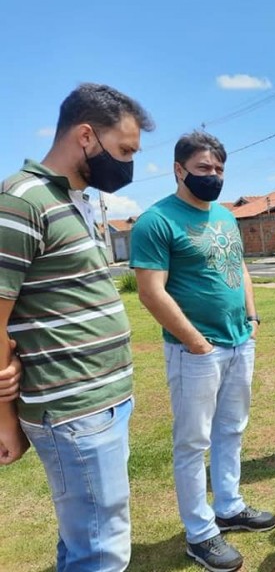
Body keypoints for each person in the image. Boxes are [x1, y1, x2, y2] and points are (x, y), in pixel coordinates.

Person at [0, 83, 154, 571]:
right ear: (86, 136)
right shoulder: (22, 200)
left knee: (87, 534)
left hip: (102, 402)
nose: (128, 165)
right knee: (101, 549)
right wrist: (3, 418)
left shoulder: (74, 200)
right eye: (124, 150)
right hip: (74, 410)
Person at [130, 131, 275, 572]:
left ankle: (228, 506)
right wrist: (194, 341)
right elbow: (150, 293)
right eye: (203, 169)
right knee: (193, 442)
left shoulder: (225, 216)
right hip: (195, 352)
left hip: (237, 341)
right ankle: (200, 533)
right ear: (179, 170)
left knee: (232, 429)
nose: (213, 177)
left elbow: (240, 268)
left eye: (218, 170)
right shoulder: (157, 221)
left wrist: (250, 318)